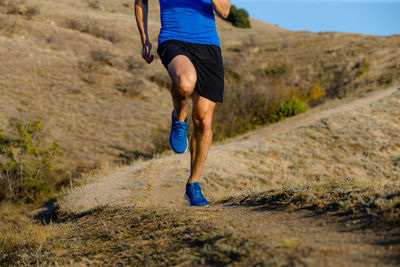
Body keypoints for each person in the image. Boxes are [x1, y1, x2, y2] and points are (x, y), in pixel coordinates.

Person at [134, 0, 230, 206]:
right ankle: (179, 117)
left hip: (208, 46)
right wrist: (145, 39)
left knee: (204, 121)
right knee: (185, 83)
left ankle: (193, 184)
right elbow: (140, 1)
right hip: (173, 39)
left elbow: (224, 10)